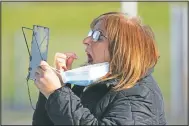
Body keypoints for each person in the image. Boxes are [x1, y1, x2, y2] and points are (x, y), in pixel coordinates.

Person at [33, 12, 166, 125]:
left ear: (121, 50)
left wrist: (57, 93)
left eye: (98, 36)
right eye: (90, 33)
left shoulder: (138, 96)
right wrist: (60, 85)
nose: (86, 40)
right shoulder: (97, 83)